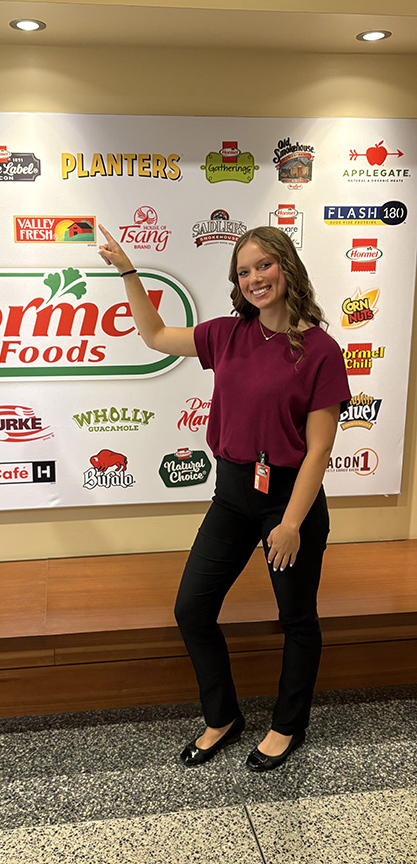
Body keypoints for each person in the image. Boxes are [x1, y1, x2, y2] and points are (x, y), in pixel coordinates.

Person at [98, 224, 351, 772]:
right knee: (192, 608)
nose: (254, 278)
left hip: (290, 501)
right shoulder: (229, 334)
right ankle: (223, 717)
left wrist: (290, 525)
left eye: (263, 265)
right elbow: (156, 336)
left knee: (297, 617)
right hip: (233, 493)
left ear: (286, 267)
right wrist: (127, 270)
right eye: (243, 271)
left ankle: (288, 724)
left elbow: (319, 452)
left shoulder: (322, 351)